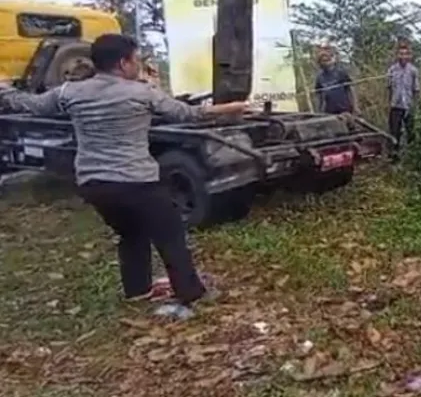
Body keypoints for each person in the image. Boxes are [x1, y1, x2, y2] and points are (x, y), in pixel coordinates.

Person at [0, 34, 250, 317]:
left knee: (131, 233)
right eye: (136, 59)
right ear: (123, 63)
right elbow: (188, 114)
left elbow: (30, 105)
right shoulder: (140, 93)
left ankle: (137, 290)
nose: (138, 65)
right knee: (170, 235)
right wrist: (231, 107)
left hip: (94, 185)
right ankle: (191, 293)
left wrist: (4, 90)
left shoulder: (69, 92)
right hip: (137, 181)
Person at [386, 40, 420, 156]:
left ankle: (412, 155)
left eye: (406, 54)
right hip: (395, 105)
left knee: (411, 132)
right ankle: (394, 155)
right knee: (394, 132)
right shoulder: (392, 70)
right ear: (397, 55)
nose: (403, 56)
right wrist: (389, 104)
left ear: (410, 55)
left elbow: (416, 89)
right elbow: (389, 89)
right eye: (401, 54)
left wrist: (415, 107)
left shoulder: (413, 70)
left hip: (408, 106)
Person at [313, 48, 356, 114]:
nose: (326, 62)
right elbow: (318, 96)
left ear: (332, 60)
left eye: (327, 60)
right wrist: (318, 111)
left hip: (345, 108)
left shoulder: (341, 72)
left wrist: (355, 106)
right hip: (330, 111)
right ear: (320, 63)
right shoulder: (320, 77)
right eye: (323, 61)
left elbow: (350, 89)